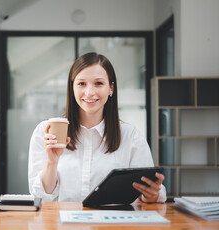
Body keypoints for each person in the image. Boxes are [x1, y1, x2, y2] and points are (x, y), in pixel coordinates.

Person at [28, 52, 166, 203]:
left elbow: (147, 191)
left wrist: (151, 195)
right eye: (81, 84)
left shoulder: (130, 135)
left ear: (111, 88)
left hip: (113, 224)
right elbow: (41, 198)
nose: (89, 92)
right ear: (72, 88)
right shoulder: (46, 131)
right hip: (61, 224)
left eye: (98, 83)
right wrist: (52, 161)